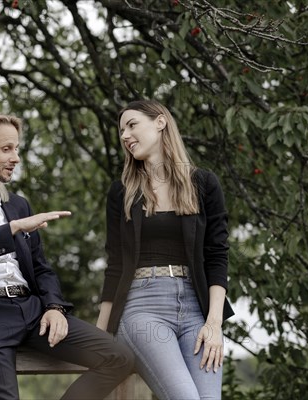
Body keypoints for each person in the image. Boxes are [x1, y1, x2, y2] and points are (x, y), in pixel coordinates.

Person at [0, 111, 134, 399]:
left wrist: (55, 308)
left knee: (120, 358)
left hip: (33, 311)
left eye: (17, 149)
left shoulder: (18, 205)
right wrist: (12, 229)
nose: (16, 158)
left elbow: (41, 268)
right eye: (6, 149)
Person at [96, 100, 235, 400]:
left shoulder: (203, 184)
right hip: (142, 307)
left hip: (196, 310)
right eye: (121, 130)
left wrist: (214, 324)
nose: (124, 136)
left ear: (160, 122)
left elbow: (217, 255)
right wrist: (101, 333)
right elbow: (115, 264)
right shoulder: (121, 191)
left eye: (132, 125)